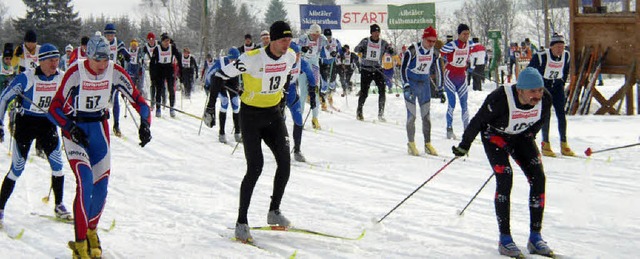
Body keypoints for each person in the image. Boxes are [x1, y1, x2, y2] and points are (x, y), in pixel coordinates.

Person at [48, 34, 151, 258]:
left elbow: (138, 100)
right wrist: (69, 127)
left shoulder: (114, 71)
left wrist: (145, 123)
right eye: (98, 61)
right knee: (85, 182)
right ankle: (80, 243)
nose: (102, 66)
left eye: (106, 60)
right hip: (76, 132)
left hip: (99, 132)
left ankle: (92, 230)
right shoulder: (75, 72)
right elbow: (53, 109)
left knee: (101, 188)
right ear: (88, 57)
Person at [452, 67, 554, 258]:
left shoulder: (545, 98)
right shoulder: (500, 98)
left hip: (521, 137)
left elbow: (542, 119)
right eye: (533, 91)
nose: (538, 95)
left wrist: (530, 135)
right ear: (520, 90)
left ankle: (535, 237)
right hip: (495, 137)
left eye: (540, 90)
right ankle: (505, 239)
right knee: (505, 177)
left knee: (539, 178)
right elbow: (478, 121)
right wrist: (464, 145)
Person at [215, 21, 296, 243]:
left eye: (289, 39)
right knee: (255, 168)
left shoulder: (290, 56)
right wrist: (210, 108)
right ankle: (241, 222)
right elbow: (219, 75)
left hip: (273, 116)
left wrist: (285, 96)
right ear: (272, 39)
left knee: (285, 163)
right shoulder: (251, 58)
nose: (287, 43)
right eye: (283, 39)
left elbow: (287, 76)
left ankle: (274, 211)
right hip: (250, 117)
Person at [0, 44, 72, 227]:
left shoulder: (62, 77)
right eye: (51, 60)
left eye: (57, 59)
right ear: (41, 61)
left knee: (58, 164)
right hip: (26, 123)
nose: (55, 64)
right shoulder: (27, 78)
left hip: (47, 123)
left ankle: (59, 205)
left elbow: (70, 101)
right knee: (17, 168)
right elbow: (4, 98)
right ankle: (0, 208)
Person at [527, 33, 574, 157]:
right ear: (551, 47)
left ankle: (564, 143)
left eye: (562, 46)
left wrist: (562, 82)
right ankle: (545, 144)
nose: (560, 49)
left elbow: (566, 70)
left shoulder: (566, 55)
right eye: (558, 46)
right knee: (546, 115)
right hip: (544, 87)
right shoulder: (542, 56)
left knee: (561, 114)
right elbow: (529, 70)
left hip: (557, 86)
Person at [401, 26, 443, 156]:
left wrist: (440, 88)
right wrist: (406, 85)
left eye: (433, 41)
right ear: (423, 38)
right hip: (412, 84)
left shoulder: (435, 52)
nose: (431, 44)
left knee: (426, 116)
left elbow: (439, 70)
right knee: (412, 116)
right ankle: (411, 143)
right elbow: (403, 69)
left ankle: (427, 143)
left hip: (424, 84)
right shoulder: (412, 50)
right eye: (429, 41)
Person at [440, 23, 476, 139]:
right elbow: (440, 53)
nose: (466, 36)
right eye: (464, 34)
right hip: (450, 76)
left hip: (462, 77)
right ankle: (449, 129)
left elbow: (472, 54)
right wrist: (445, 60)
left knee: (464, 104)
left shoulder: (470, 45)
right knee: (452, 103)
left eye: (468, 34)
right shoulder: (452, 45)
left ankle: (467, 130)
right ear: (459, 34)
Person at [203, 47, 242, 144]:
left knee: (235, 103)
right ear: (228, 57)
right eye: (232, 59)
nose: (233, 61)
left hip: (232, 82)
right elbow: (209, 73)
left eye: (235, 59)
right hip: (220, 83)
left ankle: (238, 132)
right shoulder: (221, 62)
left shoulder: (239, 62)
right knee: (224, 101)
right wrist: (208, 85)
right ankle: (222, 133)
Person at [354, 24, 391, 121]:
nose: (376, 34)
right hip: (366, 69)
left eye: (378, 32)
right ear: (371, 32)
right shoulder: (365, 41)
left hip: (378, 69)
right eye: (374, 32)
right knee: (364, 93)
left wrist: (391, 50)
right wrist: (360, 49)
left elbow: (393, 52)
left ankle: (381, 114)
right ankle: (359, 111)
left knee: (382, 91)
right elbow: (355, 49)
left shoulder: (383, 43)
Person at [287, 41, 317, 162]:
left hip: (292, 93)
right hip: (278, 95)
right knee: (279, 122)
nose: (297, 57)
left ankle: (297, 150)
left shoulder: (301, 63)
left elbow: (311, 78)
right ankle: (280, 148)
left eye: (299, 54)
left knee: (299, 120)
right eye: (294, 54)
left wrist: (313, 94)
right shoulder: (281, 62)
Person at [296, 23, 328, 129]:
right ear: (310, 33)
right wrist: (301, 49)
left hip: (314, 66)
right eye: (314, 35)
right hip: (303, 66)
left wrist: (332, 52)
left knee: (316, 92)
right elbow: (296, 48)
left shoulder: (322, 38)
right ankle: (299, 119)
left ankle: (315, 118)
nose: (316, 37)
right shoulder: (304, 38)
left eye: (317, 35)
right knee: (304, 93)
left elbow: (329, 47)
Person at [104, 23, 131, 137]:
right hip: (103, 74)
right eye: (108, 35)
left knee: (114, 98)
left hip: (114, 74)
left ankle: (116, 125)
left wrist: (123, 56)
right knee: (103, 98)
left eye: (111, 35)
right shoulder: (101, 43)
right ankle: (104, 120)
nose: (109, 37)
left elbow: (126, 55)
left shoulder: (118, 43)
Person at [150, 33, 181, 117]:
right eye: (165, 41)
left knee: (171, 89)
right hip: (160, 69)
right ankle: (158, 108)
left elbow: (179, 57)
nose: (167, 43)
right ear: (162, 42)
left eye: (168, 41)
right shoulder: (157, 48)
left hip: (169, 68)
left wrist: (180, 71)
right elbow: (152, 63)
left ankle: (171, 108)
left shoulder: (172, 47)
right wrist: (152, 76)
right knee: (159, 90)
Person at [319, 28, 342, 111]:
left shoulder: (336, 41)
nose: (328, 38)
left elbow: (340, 50)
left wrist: (336, 53)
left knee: (332, 82)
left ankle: (329, 96)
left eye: (329, 36)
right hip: (323, 63)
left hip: (333, 63)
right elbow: (318, 52)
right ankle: (323, 102)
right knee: (324, 83)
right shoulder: (320, 42)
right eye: (326, 36)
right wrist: (324, 55)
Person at [142, 32, 159, 108]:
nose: (151, 41)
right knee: (153, 84)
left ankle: (162, 100)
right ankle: (152, 101)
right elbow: (142, 56)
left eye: (152, 39)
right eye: (149, 39)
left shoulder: (158, 44)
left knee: (160, 85)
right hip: (152, 66)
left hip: (160, 65)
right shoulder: (145, 47)